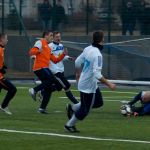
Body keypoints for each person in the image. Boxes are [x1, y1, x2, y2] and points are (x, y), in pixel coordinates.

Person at [64, 31, 116, 133]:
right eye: (103, 38)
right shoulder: (97, 55)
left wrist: (78, 74)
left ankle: (72, 107)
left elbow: (77, 62)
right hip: (87, 86)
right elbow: (97, 74)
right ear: (102, 40)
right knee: (85, 110)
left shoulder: (88, 49)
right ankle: (69, 125)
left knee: (98, 102)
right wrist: (109, 84)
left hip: (89, 83)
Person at [36, 31, 78, 112]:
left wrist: (68, 57)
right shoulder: (49, 46)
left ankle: (42, 95)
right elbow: (46, 57)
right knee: (67, 86)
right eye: (56, 37)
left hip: (61, 70)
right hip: (54, 71)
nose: (59, 38)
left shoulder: (61, 46)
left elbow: (60, 57)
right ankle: (77, 104)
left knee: (58, 87)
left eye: (59, 36)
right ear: (53, 38)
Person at [29, 30, 67, 114]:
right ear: (45, 36)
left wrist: (63, 54)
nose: (52, 37)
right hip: (39, 68)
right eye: (50, 36)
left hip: (44, 68)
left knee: (49, 89)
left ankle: (42, 108)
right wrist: (38, 51)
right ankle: (34, 90)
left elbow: (55, 60)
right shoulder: (40, 42)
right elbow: (31, 52)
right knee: (52, 80)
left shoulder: (48, 48)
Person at [0, 33, 17, 115]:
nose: (7, 40)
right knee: (13, 89)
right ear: (1, 39)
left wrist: (3, 65)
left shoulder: (2, 49)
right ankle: (3, 106)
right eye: (6, 38)